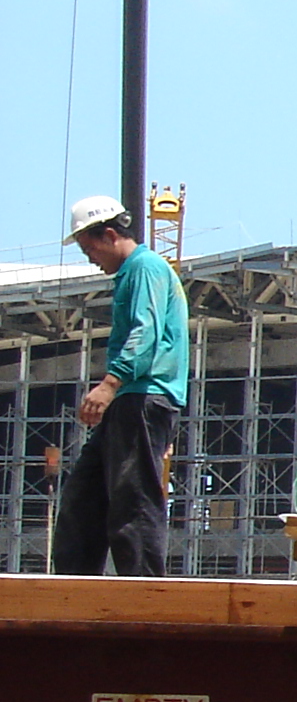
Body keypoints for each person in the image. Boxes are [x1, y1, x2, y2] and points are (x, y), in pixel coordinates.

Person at [53, 195, 188, 578]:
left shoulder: (145, 267)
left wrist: (110, 384)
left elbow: (145, 334)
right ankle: (73, 590)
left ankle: (145, 594)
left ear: (110, 234)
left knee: (134, 499)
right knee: (83, 500)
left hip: (142, 397)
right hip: (130, 398)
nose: (89, 257)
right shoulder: (132, 273)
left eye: (89, 247)